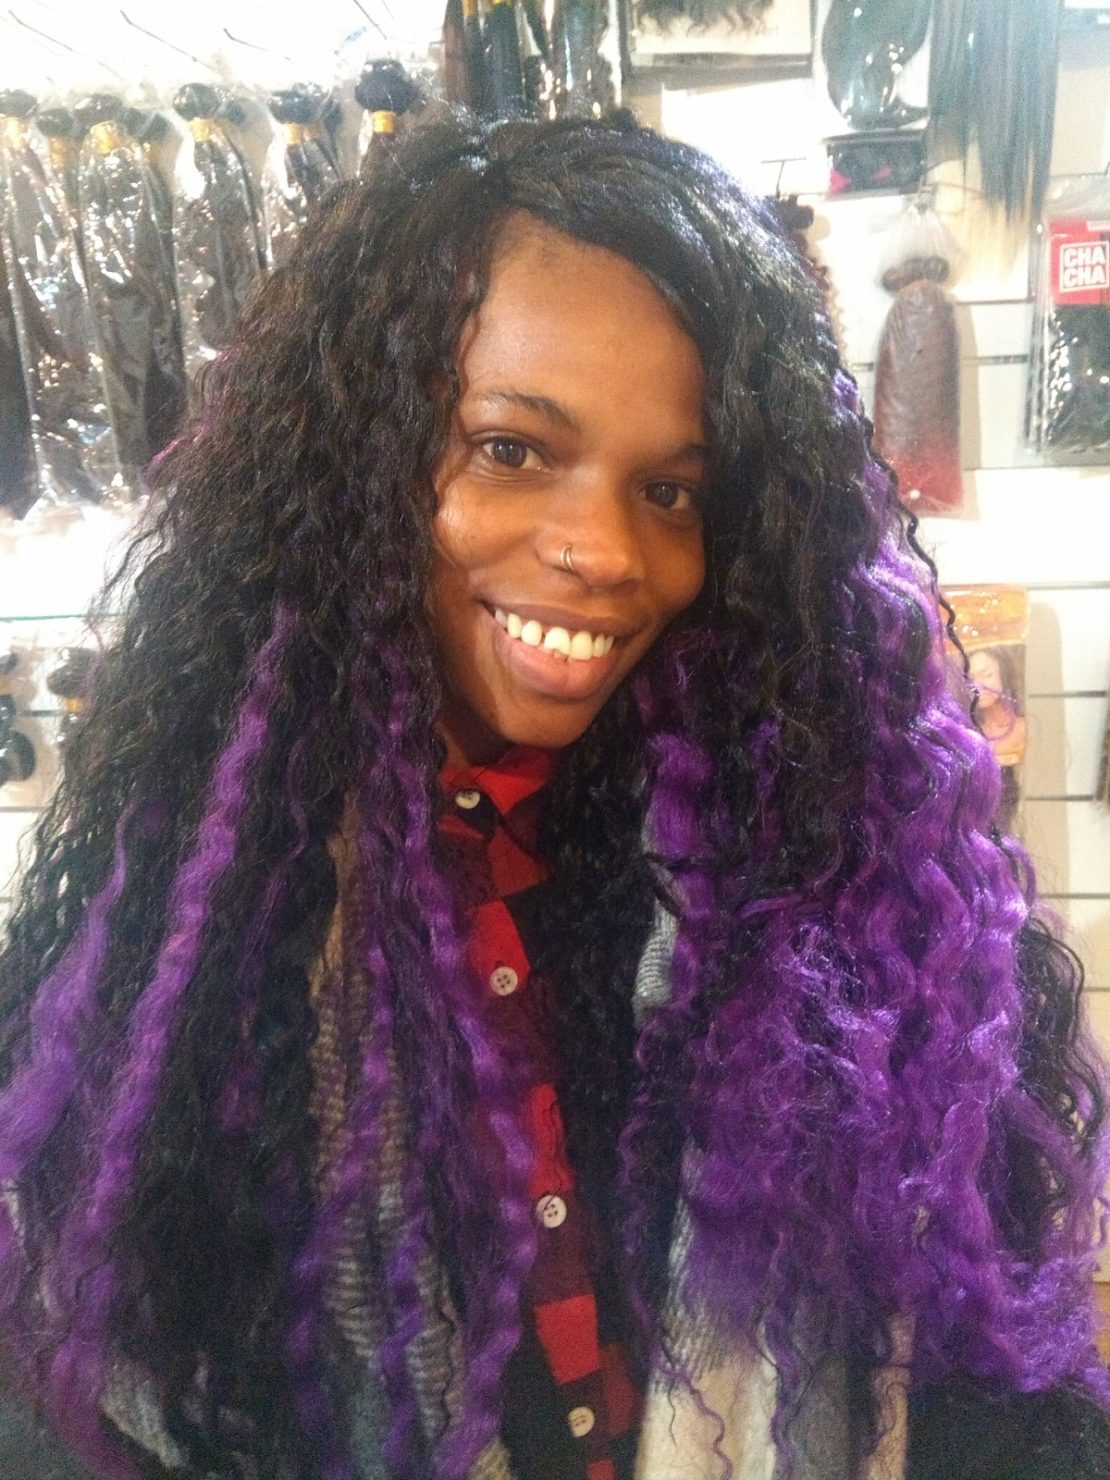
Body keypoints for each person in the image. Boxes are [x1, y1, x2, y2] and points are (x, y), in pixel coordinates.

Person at [0, 114, 1107, 1480]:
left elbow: (984, 1360)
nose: (607, 551)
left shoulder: (823, 870)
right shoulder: (194, 936)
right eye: (512, 451)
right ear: (357, 461)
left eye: (672, 491)